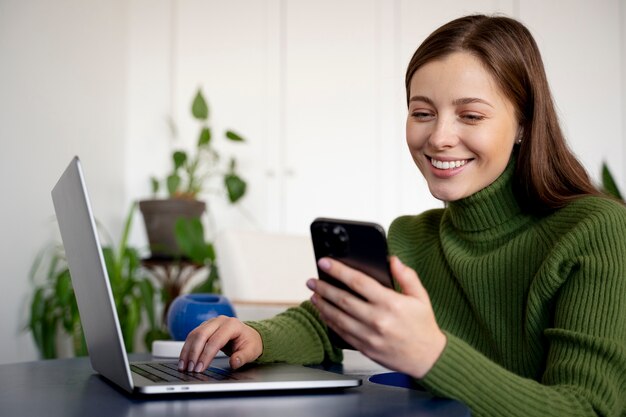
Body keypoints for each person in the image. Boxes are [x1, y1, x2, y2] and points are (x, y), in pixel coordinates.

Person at [178, 14, 626, 417]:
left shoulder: (596, 230)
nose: (439, 137)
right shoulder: (413, 238)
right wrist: (257, 337)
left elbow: (586, 409)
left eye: (470, 115)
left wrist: (431, 354)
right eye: (422, 113)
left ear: (524, 123)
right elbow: (329, 323)